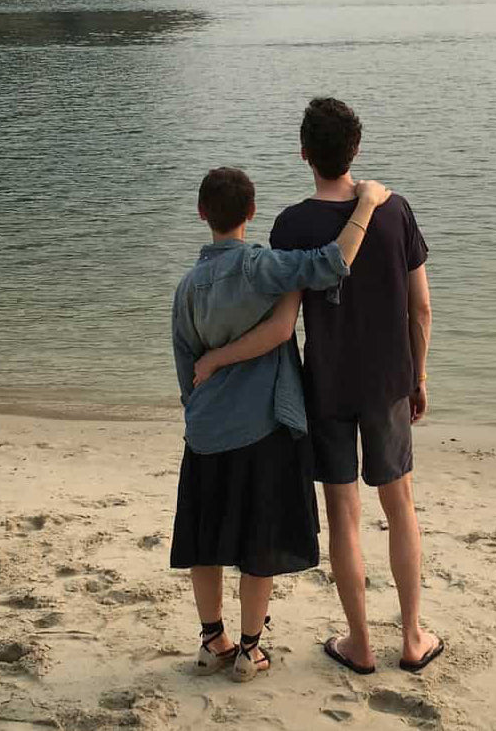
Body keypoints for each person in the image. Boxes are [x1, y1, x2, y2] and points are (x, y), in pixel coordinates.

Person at [195, 99, 442, 675]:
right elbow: (421, 307)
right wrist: (419, 375)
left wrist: (218, 358)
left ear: (304, 152)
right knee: (399, 505)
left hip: (326, 385)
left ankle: (359, 642)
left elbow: (283, 325)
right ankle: (410, 637)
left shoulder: (290, 224)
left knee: (343, 513)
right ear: (355, 150)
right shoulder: (394, 209)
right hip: (388, 382)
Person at [170, 167, 390, 683]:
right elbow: (333, 262)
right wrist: (368, 203)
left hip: (205, 431)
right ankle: (249, 649)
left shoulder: (187, 287)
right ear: (251, 212)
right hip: (264, 425)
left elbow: (186, 364)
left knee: (205, 539)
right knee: (257, 542)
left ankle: (210, 641)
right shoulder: (262, 268)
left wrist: (199, 403)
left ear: (202, 214)